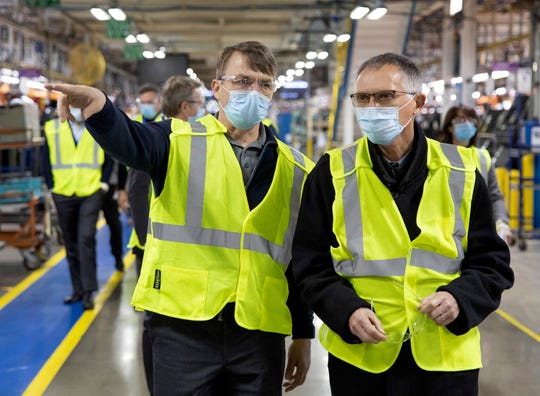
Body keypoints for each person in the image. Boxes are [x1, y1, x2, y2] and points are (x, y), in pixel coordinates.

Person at [46, 40, 314, 395]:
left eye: (265, 84)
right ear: (217, 88)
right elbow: (131, 140)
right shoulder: (176, 140)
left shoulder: (296, 168)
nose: (255, 91)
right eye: (244, 81)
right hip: (182, 330)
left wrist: (303, 332)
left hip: (258, 334)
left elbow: (297, 261)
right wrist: (100, 109)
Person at [291, 52, 514, 396]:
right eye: (362, 98)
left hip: (445, 361)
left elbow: (492, 263)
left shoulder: (463, 172)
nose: (371, 106)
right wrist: (346, 310)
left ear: (418, 103)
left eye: (384, 96)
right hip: (363, 360)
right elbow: (309, 264)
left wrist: (459, 298)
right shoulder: (332, 172)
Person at [126, 75, 204, 393]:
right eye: (199, 104)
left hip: (177, 246)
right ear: (186, 106)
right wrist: (148, 240)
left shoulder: (194, 137)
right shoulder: (158, 137)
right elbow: (135, 191)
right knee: (153, 322)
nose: (203, 110)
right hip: (153, 245)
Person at [41, 107, 112, 310]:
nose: (79, 112)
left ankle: (89, 291)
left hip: (90, 191)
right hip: (63, 193)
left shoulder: (98, 129)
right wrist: (52, 187)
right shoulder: (52, 128)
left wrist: (104, 183)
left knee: (86, 239)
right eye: (74, 108)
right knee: (71, 243)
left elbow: (109, 156)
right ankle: (77, 289)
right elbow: (45, 160)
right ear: (67, 109)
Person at [439, 105, 514, 245]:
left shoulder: (483, 158)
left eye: (471, 119)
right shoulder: (437, 155)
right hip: (445, 235)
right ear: (449, 126)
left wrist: (502, 222)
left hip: (478, 233)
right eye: (461, 120)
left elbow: (495, 196)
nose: (467, 124)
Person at [101, 159, 127, 272]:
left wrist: (122, 189)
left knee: (115, 225)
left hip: (110, 188)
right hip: (89, 188)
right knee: (86, 232)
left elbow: (120, 161)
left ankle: (118, 257)